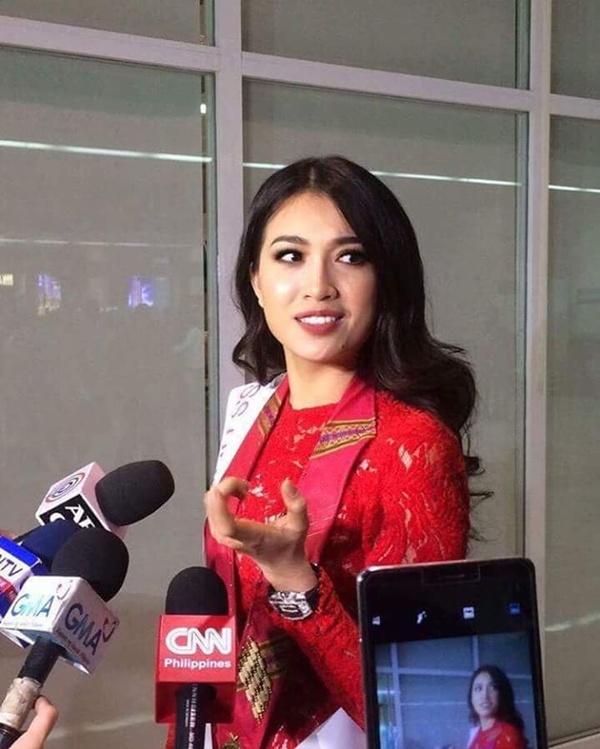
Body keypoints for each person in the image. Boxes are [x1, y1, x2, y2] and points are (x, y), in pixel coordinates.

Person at [169, 155, 479, 749]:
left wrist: (296, 581)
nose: (318, 286)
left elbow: (419, 712)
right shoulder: (254, 412)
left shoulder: (412, 445)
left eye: (351, 256)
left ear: (386, 279)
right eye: (290, 256)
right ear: (255, 280)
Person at [467, 666, 527, 749]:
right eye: (478, 688)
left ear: (502, 694)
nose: (485, 696)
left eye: (493, 687)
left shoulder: (508, 734)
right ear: (471, 697)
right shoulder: (477, 734)